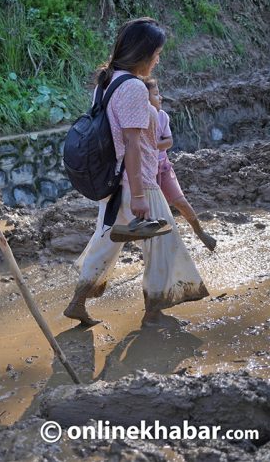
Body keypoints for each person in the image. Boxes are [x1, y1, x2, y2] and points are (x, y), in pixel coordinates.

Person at [63, 18, 209, 328]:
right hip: (135, 182)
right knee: (163, 246)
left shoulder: (108, 80)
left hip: (113, 182)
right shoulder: (132, 87)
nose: (158, 59)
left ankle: (77, 301)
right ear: (144, 52)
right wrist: (141, 193)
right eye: (157, 53)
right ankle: (154, 312)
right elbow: (132, 144)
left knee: (105, 241)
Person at [145, 77, 216, 251]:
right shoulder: (138, 119)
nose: (160, 97)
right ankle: (156, 249)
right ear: (144, 100)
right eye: (155, 94)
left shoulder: (162, 116)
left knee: (181, 202)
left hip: (164, 167)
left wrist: (150, 145)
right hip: (147, 173)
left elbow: (168, 141)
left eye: (159, 93)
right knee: (153, 212)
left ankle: (200, 232)